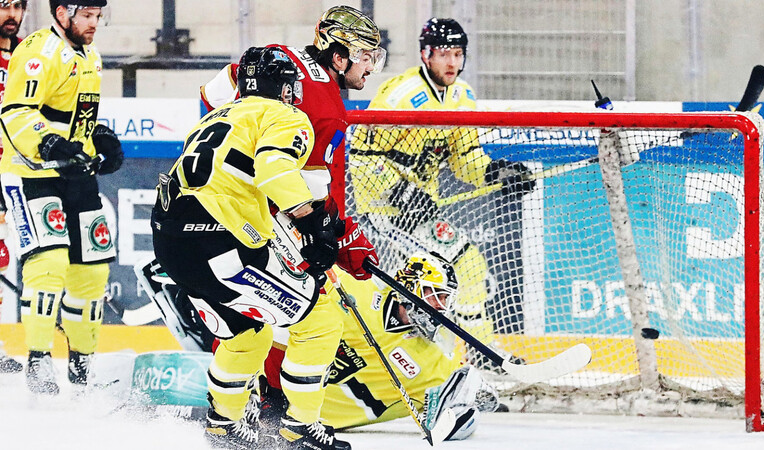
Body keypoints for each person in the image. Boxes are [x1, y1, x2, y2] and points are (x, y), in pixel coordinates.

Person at [152, 46, 357, 450]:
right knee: (320, 319)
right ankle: (299, 428)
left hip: (169, 241)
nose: (294, 93)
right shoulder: (285, 116)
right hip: (219, 240)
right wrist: (313, 224)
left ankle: (220, 426)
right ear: (281, 87)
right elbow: (274, 170)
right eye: (291, 86)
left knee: (246, 334)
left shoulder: (216, 116)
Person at [137, 252, 500, 442]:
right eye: (434, 296)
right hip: (266, 386)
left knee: (201, 408)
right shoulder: (358, 289)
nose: (440, 309)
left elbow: (453, 423)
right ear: (409, 285)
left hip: (305, 423)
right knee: (246, 334)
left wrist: (472, 391)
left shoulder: (432, 361)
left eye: (445, 301)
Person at [349, 18, 535, 370]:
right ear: (425, 55)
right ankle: (475, 356)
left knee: (456, 272)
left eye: (458, 53)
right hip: (386, 211)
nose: (452, 62)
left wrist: (496, 172)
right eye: (444, 54)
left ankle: (462, 358)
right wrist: (398, 192)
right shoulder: (401, 96)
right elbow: (361, 158)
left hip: (421, 209)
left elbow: (465, 159)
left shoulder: (463, 96)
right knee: (461, 266)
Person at [199, 5, 384, 285]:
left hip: (207, 190)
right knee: (316, 312)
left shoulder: (276, 57)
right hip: (250, 213)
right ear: (338, 57)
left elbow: (212, 95)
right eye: (365, 57)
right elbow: (308, 194)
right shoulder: (329, 111)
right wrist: (340, 232)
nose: (370, 67)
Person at [0, 0, 122, 394]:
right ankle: (38, 361)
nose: (93, 24)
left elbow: (79, 118)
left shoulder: (92, 56)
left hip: (75, 172)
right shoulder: (37, 52)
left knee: (93, 270)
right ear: (61, 14)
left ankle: (82, 368)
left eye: (97, 16)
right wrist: (49, 142)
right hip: (30, 172)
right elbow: (15, 112)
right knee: (48, 263)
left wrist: (100, 137)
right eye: (86, 16)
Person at [0, 0, 26, 375]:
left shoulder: (28, 55)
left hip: (13, 170)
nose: (12, 14)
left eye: (18, 6)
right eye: (4, 5)